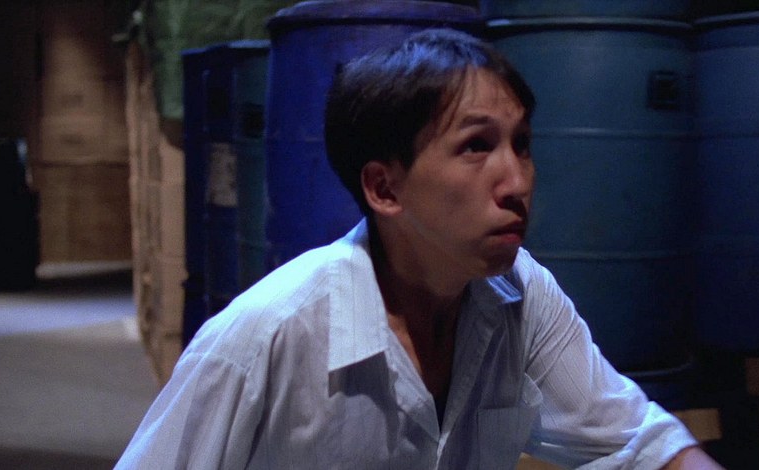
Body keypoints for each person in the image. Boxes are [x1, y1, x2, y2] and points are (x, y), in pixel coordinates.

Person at [116, 29, 721, 469]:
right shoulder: (268, 336)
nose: (518, 182)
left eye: (522, 143)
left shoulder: (519, 295)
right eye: (476, 146)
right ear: (385, 188)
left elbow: (640, 442)